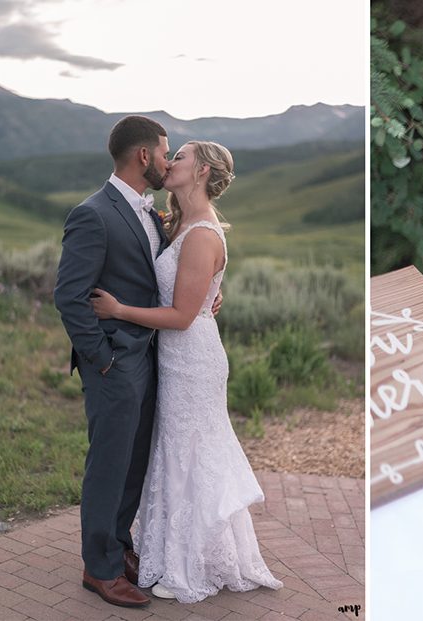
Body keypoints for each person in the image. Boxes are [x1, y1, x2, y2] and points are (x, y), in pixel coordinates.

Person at [90, 139, 282, 603]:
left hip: (192, 359)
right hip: (174, 357)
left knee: (190, 453)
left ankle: (191, 559)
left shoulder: (200, 234)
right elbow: (194, 291)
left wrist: (119, 309)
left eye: (180, 158)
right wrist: (211, 293)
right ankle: (169, 550)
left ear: (200, 172)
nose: (169, 162)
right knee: (175, 452)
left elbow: (179, 315)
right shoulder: (177, 224)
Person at [56, 115, 175, 608]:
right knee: (109, 464)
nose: (169, 163)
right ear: (143, 156)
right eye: (166, 153)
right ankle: (98, 569)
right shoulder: (94, 213)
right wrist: (101, 359)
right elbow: (69, 296)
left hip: (148, 358)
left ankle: (119, 545)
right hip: (113, 364)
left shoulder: (149, 213)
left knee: (134, 463)